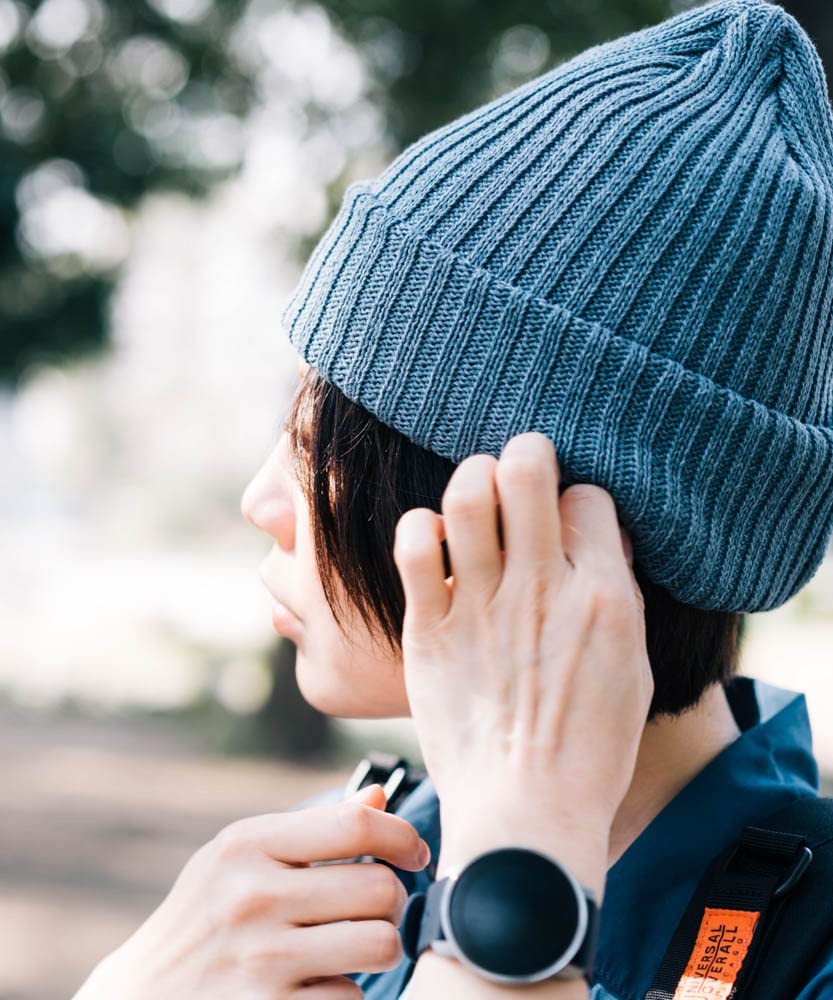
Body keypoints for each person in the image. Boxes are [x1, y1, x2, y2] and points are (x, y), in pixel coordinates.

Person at [73, 0, 833, 996]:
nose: (264, 499)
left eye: (328, 452)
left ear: (539, 520)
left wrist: (518, 884)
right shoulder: (339, 883)